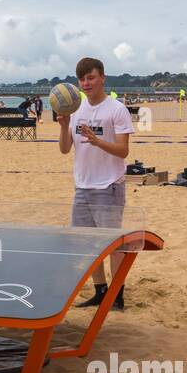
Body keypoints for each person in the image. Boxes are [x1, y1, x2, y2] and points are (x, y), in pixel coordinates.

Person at [57, 57, 135, 310]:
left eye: (90, 77)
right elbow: (65, 149)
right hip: (82, 186)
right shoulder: (76, 109)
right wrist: (64, 127)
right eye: (82, 79)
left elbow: (123, 151)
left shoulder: (116, 109)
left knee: (112, 244)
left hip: (109, 186)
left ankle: (117, 296)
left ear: (102, 77)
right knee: (87, 243)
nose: (86, 83)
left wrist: (97, 141)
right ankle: (100, 291)